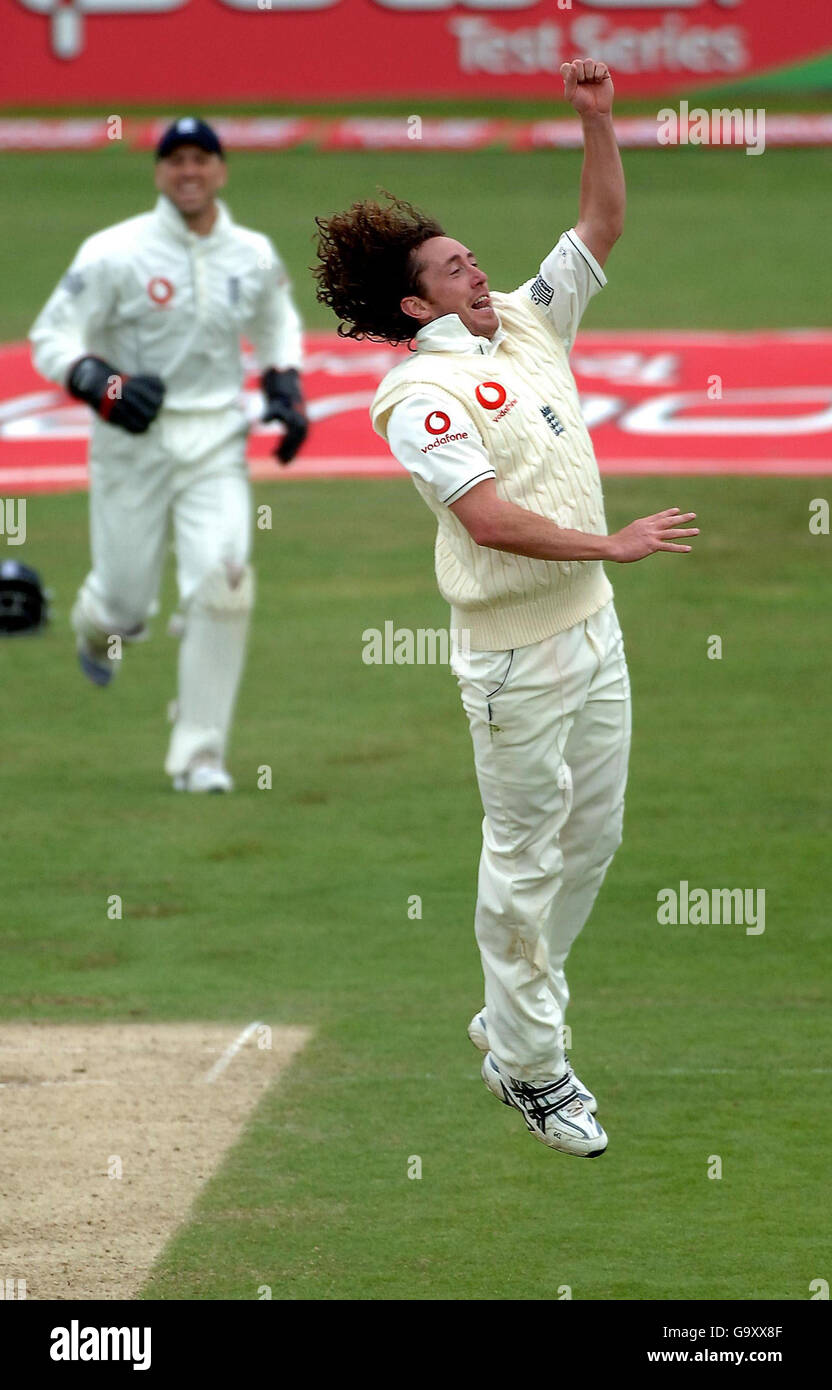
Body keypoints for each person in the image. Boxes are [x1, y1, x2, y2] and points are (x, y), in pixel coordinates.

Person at [314, 61, 698, 1156]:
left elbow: (600, 221)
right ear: (412, 303)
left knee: (596, 833)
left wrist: (596, 120)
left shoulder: (527, 325)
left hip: (592, 630)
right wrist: (610, 543)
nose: (478, 270)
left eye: (474, 256)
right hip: (513, 657)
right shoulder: (415, 394)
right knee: (523, 854)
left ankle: (511, 1016)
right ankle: (530, 1067)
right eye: (453, 267)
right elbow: (485, 520)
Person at [30, 117, 308, 792]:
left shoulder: (251, 251)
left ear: (220, 171)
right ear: (159, 172)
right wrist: (104, 384)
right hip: (131, 444)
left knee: (225, 582)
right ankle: (98, 628)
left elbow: (278, 324)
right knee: (126, 605)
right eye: (175, 160)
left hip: (215, 438)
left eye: (202, 159)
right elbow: (51, 337)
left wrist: (285, 385)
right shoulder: (114, 251)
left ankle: (200, 755)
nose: (189, 172)